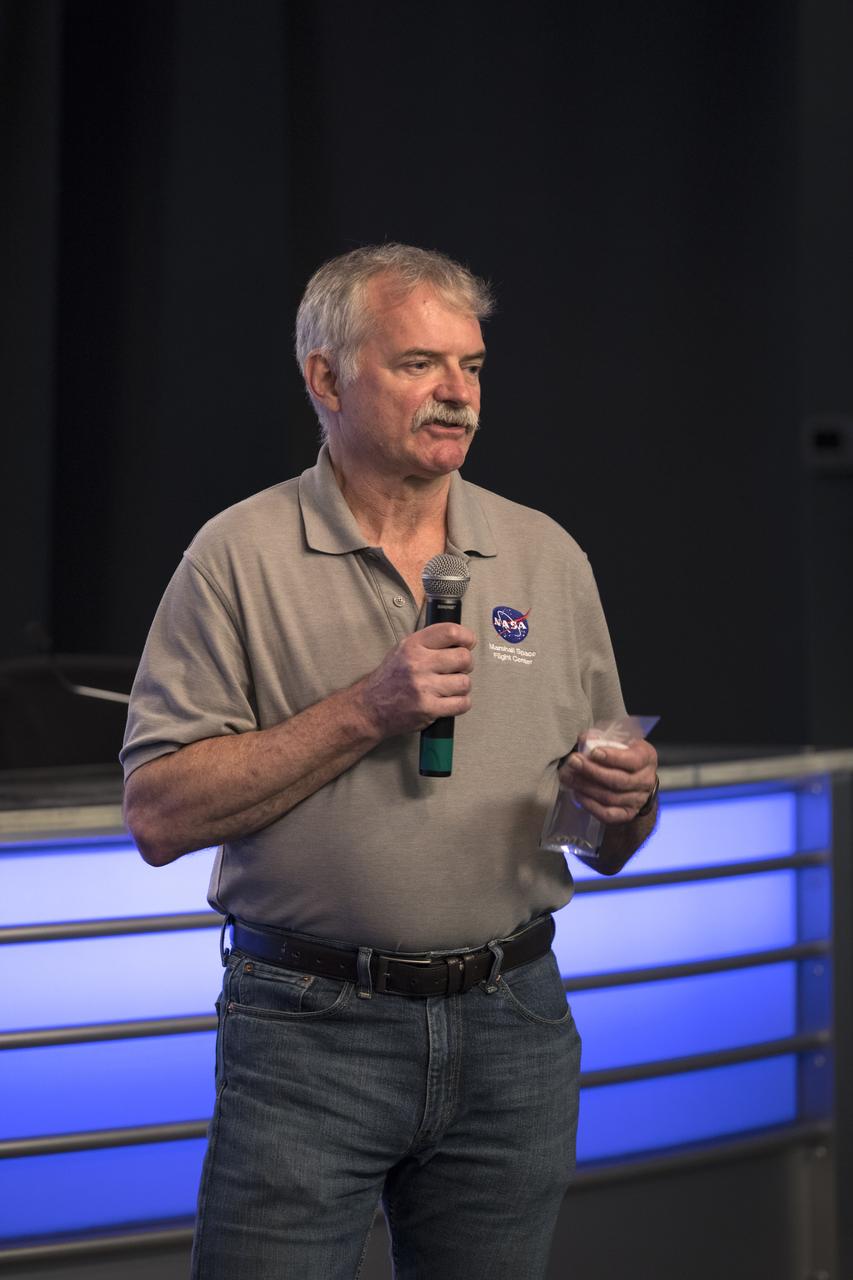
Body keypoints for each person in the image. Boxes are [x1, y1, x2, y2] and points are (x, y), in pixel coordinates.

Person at [121, 243, 658, 1280]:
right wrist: (368, 708)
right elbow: (157, 815)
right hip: (308, 1029)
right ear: (326, 378)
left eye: (472, 366)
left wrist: (626, 800)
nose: (458, 393)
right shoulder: (236, 555)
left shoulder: (545, 553)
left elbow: (606, 838)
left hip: (515, 1021)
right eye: (419, 363)